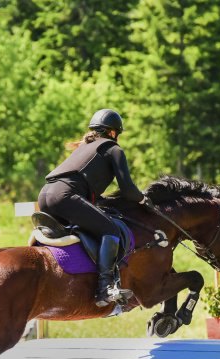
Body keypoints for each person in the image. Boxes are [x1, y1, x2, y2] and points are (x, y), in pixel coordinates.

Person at [38, 108, 152, 307]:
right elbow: (127, 189)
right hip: (65, 196)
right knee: (110, 230)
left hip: (45, 194)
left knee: (82, 231)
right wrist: (143, 199)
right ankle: (104, 288)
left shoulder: (83, 148)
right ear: (113, 132)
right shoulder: (113, 149)